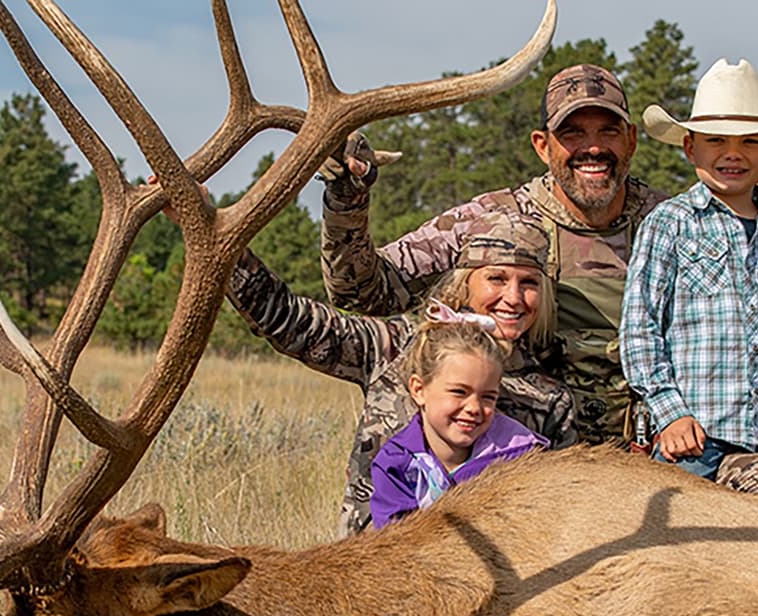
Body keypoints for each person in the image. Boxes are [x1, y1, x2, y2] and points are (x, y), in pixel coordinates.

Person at [318, 64, 668, 448]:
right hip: (523, 453)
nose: (594, 147)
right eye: (572, 132)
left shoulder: (672, 224)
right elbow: (363, 291)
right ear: (541, 145)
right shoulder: (493, 218)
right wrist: (346, 198)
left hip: (653, 454)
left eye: (609, 131)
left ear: (631, 140)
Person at [228, 211, 576, 536]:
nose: (513, 297)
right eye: (496, 278)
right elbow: (288, 320)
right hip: (370, 573)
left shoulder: (549, 399)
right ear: (465, 281)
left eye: (529, 283)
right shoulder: (393, 348)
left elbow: (558, 517)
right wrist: (225, 243)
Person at [619, 58, 758, 518]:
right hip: (699, 436)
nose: (733, 153)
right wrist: (670, 412)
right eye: (716, 140)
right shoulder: (670, 225)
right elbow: (640, 330)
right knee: (667, 547)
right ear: (690, 148)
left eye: (750, 142)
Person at [370, 319, 548, 528]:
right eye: (459, 392)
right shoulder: (395, 463)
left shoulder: (520, 454)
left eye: (488, 397)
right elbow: (395, 545)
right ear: (419, 390)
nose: (474, 408)